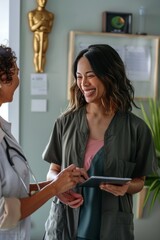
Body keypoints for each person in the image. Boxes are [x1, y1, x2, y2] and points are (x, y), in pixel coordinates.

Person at [42, 44, 157, 240]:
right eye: (79, 77)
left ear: (109, 76)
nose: (83, 83)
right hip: (66, 224)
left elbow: (140, 181)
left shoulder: (136, 129)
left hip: (112, 229)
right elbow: (53, 170)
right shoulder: (65, 123)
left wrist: (126, 187)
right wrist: (58, 185)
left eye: (90, 75)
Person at [0, 44, 84, 240]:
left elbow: (12, 187)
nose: (19, 80)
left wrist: (56, 186)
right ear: (3, 78)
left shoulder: (3, 129)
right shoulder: (65, 122)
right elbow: (4, 212)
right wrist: (53, 188)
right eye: (16, 72)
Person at [28, 0, 54, 73]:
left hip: (45, 35)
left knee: (43, 53)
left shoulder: (50, 15)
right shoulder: (32, 13)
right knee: (37, 52)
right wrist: (41, 23)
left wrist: (44, 28)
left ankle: (41, 68)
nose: (43, 2)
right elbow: (32, 28)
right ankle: (37, 68)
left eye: (45, 0)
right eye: (41, 0)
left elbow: (49, 29)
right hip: (37, 35)